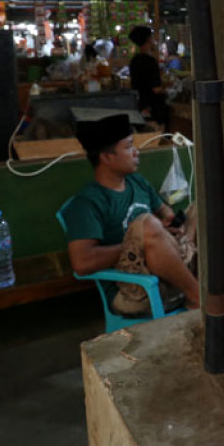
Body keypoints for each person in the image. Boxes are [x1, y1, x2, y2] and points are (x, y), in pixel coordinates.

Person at [61, 114, 200, 314]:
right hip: (134, 290)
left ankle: (205, 283)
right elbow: (82, 263)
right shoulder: (88, 203)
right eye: (128, 147)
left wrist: (170, 222)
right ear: (106, 157)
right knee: (148, 225)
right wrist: (139, 241)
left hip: (167, 266)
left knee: (199, 208)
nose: (136, 152)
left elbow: (164, 211)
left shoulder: (137, 181)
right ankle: (196, 296)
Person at [128, 25, 170, 128]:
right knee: (158, 139)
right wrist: (167, 87)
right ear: (148, 39)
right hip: (154, 109)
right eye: (151, 37)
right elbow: (156, 89)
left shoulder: (134, 60)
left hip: (141, 107)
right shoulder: (150, 61)